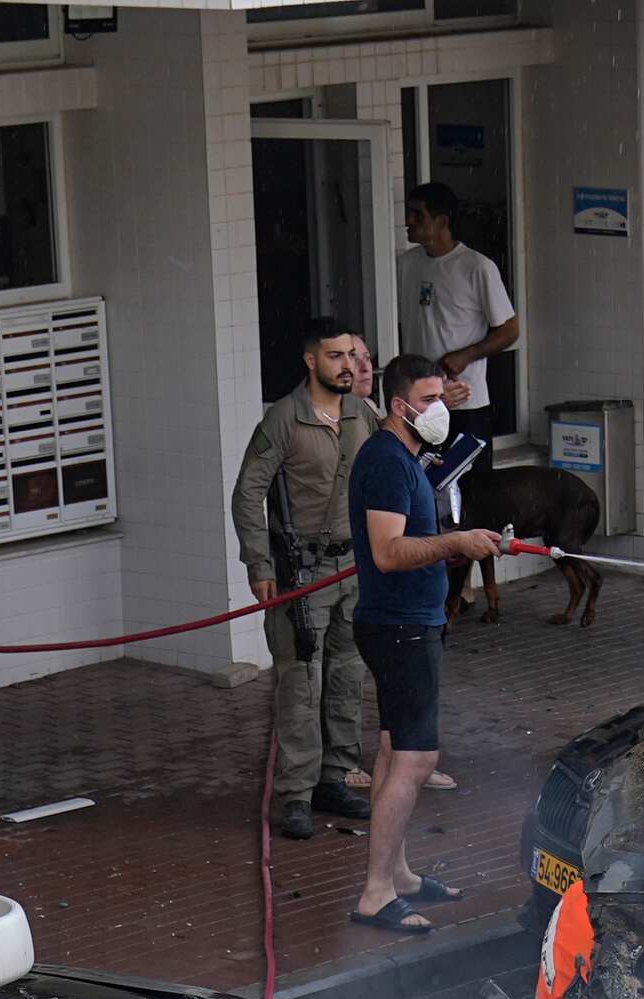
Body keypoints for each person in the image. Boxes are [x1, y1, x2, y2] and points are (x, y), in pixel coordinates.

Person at [346, 354, 503, 939]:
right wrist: (451, 542)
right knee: (416, 759)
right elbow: (388, 552)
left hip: (409, 620)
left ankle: (400, 875)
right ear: (399, 405)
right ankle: (375, 893)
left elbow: (411, 541)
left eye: (443, 397)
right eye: (430, 398)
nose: (441, 408)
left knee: (392, 752)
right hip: (400, 626)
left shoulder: (407, 459)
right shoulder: (387, 462)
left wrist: (457, 544)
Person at [234, 321, 382, 841]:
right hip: (303, 572)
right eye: (335, 356)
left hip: (354, 569)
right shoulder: (284, 419)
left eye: (351, 355)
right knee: (300, 683)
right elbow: (248, 493)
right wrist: (260, 564)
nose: (347, 365)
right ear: (310, 361)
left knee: (346, 678)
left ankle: (333, 779)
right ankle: (296, 795)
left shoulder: (363, 414)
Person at [397, 186, 521, 465]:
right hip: (418, 402)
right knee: (423, 487)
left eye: (418, 214)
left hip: (465, 403)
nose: (409, 221)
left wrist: (465, 356)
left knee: (470, 491)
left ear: (442, 221)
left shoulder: (476, 266)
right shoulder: (407, 263)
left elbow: (509, 330)